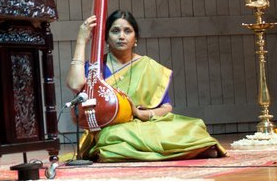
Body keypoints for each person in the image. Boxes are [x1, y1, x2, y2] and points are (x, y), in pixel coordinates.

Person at [65, 10, 226, 162]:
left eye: (127, 31)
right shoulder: (96, 66)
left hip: (145, 122)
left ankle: (175, 150)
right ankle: (187, 151)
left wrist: (140, 114)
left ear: (136, 38)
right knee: (113, 137)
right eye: (115, 31)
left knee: (192, 127)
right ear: (106, 38)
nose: (122, 36)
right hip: (112, 128)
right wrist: (81, 41)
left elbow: (166, 107)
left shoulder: (148, 66)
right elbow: (75, 84)